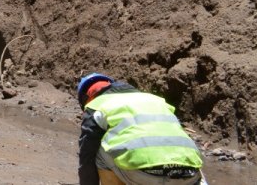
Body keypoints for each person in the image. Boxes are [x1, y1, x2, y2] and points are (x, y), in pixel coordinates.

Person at [77, 73, 206, 185]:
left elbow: (86, 158)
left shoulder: (96, 106)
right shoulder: (156, 100)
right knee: (187, 152)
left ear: (86, 98)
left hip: (146, 175)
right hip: (189, 175)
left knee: (97, 148)